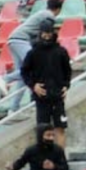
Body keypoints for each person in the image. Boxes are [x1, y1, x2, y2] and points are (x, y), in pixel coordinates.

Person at [0, 0, 63, 110]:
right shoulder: (49, 16)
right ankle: (5, 79)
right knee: (34, 66)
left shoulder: (41, 13)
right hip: (21, 39)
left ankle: (14, 108)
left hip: (14, 39)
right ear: (58, 9)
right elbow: (46, 35)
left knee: (24, 76)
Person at [21, 19, 72, 148]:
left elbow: (68, 71)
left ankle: (60, 160)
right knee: (41, 131)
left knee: (60, 128)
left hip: (57, 96)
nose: (47, 36)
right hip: (41, 97)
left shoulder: (61, 51)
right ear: (40, 33)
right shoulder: (33, 53)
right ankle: (44, 160)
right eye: (44, 33)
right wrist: (33, 86)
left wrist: (66, 86)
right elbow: (24, 72)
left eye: (49, 32)